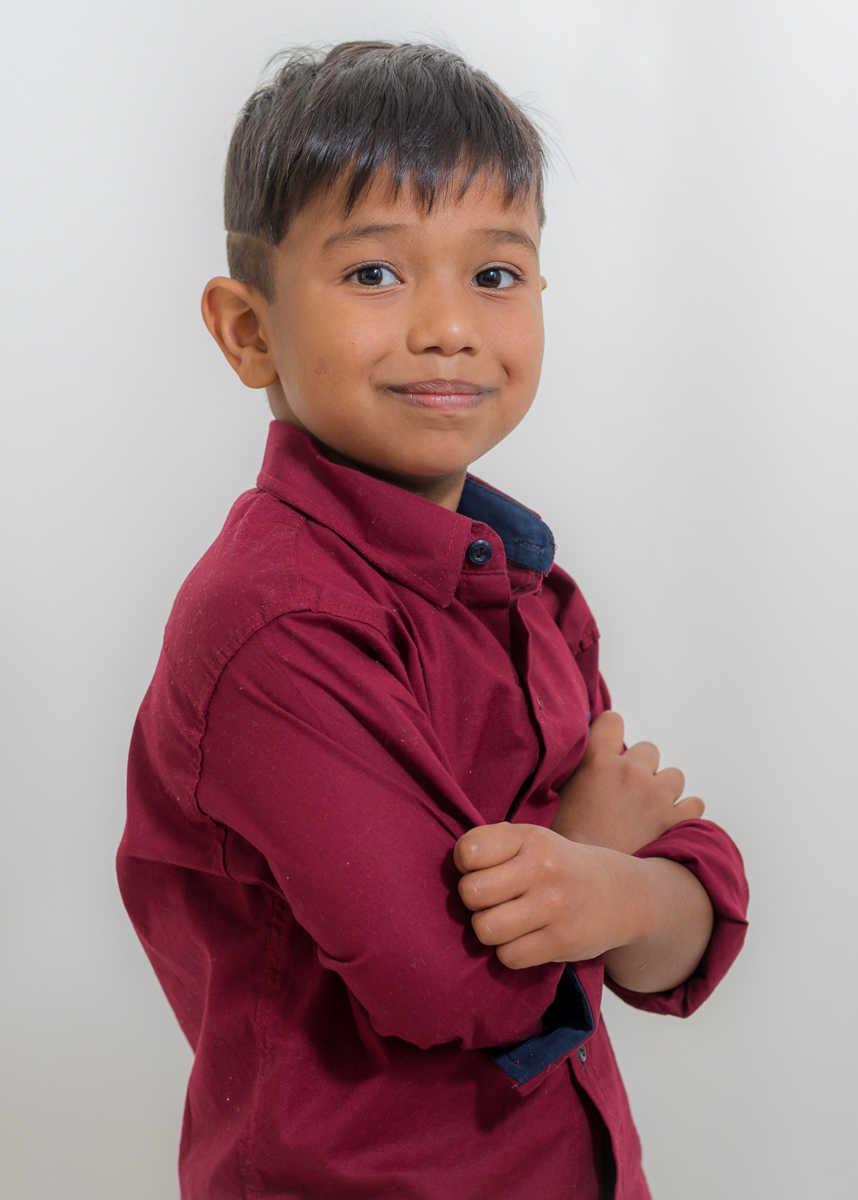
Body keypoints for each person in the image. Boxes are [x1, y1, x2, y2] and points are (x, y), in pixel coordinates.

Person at [117, 41, 749, 1200]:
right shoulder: (273, 625)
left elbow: (689, 929)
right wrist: (607, 871)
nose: (449, 326)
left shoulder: (524, 583)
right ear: (247, 329)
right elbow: (450, 986)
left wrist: (613, 890)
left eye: (495, 277)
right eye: (374, 275)